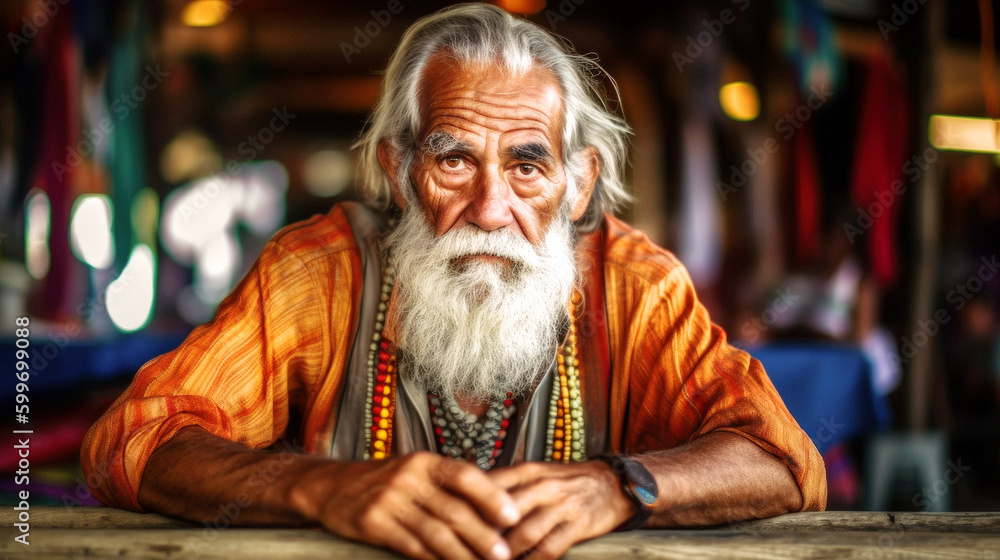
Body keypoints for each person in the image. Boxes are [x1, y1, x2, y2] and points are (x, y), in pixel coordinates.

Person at [82, 4, 826, 559]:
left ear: (577, 184)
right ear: (401, 172)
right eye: (454, 160)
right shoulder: (315, 274)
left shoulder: (637, 287)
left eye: (527, 167)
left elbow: (783, 461)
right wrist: (317, 487)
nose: (491, 209)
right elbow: (137, 439)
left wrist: (618, 486)